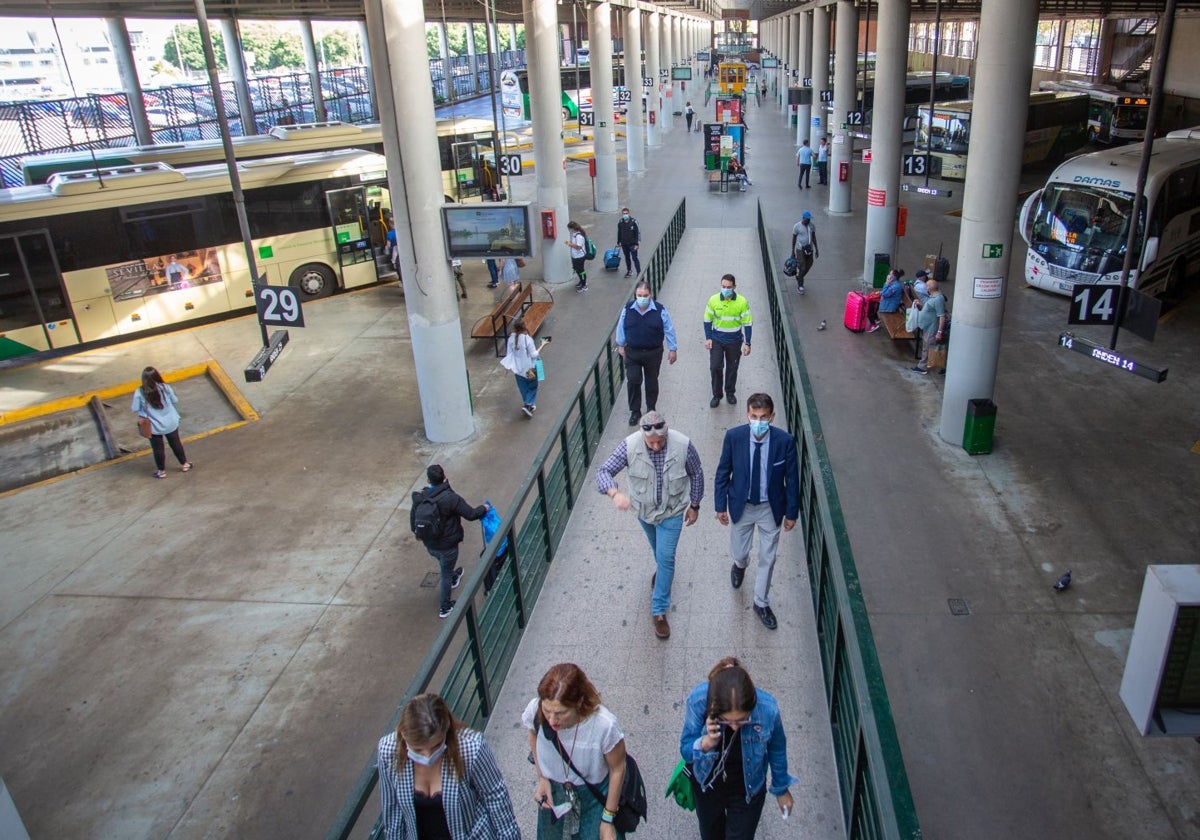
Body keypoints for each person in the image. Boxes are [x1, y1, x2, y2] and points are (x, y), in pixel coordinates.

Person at [595, 411, 703, 639]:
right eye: (650, 442)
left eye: (660, 442)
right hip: (644, 513)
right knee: (659, 551)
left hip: (672, 512)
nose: (655, 446)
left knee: (666, 557)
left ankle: (659, 610)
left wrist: (694, 506)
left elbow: (697, 473)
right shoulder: (629, 446)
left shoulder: (683, 445)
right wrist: (614, 494)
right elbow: (603, 471)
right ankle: (662, 572)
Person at [679, 658, 799, 839]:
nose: (734, 726)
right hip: (708, 785)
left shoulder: (767, 709)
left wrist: (781, 788)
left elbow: (777, 748)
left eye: (743, 719)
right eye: (727, 720)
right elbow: (686, 750)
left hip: (747, 790)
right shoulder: (698, 700)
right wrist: (706, 743)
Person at [377, 693, 520, 840]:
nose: (427, 756)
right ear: (404, 736)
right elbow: (392, 814)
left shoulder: (471, 748)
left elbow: (496, 798)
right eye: (418, 749)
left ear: (446, 731)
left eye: (436, 746)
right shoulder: (388, 752)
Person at [713, 394, 800, 630]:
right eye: (754, 416)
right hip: (742, 505)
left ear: (772, 417)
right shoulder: (734, 437)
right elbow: (723, 472)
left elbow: (792, 480)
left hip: (770, 508)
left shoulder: (785, 441)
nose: (758, 421)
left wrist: (792, 513)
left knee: (768, 557)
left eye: (763, 417)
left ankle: (761, 602)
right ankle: (740, 565)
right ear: (747, 415)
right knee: (739, 551)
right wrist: (720, 506)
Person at [523, 663, 628, 840]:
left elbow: (618, 768)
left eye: (561, 713)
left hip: (593, 797)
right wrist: (542, 777)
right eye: (547, 710)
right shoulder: (535, 711)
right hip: (555, 792)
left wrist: (608, 818)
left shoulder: (603, 725)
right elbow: (533, 733)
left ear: (579, 702)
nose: (552, 720)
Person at [411, 465, 492, 619]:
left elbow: (413, 523)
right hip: (447, 546)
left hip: (430, 545)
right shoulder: (450, 498)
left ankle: (453, 576)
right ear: (445, 476)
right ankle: (445, 607)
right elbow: (471, 514)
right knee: (445, 574)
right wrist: (485, 508)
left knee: (444, 564)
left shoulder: (420, 498)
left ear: (428, 480)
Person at [615, 281, 678, 426]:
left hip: (653, 353)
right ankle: (635, 411)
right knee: (633, 380)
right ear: (635, 295)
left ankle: (651, 408)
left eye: (645, 295)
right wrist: (620, 344)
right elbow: (621, 327)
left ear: (650, 295)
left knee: (652, 381)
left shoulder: (660, 310)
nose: (642, 298)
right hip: (633, 353)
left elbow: (669, 329)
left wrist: (672, 349)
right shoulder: (628, 309)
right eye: (639, 295)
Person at [131, 366, 192, 479]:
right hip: (171, 422)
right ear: (157, 376)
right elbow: (175, 400)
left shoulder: (139, 392)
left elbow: (134, 408)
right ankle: (185, 464)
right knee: (175, 443)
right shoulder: (165, 387)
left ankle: (161, 471)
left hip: (154, 427)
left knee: (158, 449)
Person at [703, 274, 753, 408]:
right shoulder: (713, 300)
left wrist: (747, 343)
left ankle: (730, 392)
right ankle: (717, 394)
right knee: (715, 367)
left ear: (734, 287)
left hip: (734, 341)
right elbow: (707, 320)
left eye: (729, 287)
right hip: (717, 340)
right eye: (723, 287)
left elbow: (747, 323)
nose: (725, 289)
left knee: (732, 368)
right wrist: (708, 338)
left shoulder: (742, 302)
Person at [501, 319, 549, 417]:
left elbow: (509, 354)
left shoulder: (511, 339)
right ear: (524, 327)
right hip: (530, 368)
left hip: (517, 369)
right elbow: (534, 354)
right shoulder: (527, 339)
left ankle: (528, 404)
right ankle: (528, 405)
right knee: (532, 386)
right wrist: (543, 345)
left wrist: (507, 368)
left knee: (523, 387)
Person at [911, 277, 948, 375]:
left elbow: (941, 316)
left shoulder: (938, 299)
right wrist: (920, 304)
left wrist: (939, 332)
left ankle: (923, 367)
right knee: (929, 348)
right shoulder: (933, 297)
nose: (925, 287)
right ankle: (939, 367)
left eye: (927, 286)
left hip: (932, 329)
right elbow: (930, 309)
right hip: (927, 327)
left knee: (929, 348)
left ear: (930, 288)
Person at [789, 212, 819, 295]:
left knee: (809, 264)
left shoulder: (812, 226)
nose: (808, 220)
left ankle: (799, 277)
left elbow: (814, 237)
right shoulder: (797, 226)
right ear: (803, 218)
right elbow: (794, 238)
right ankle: (800, 285)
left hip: (809, 249)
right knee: (802, 267)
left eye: (809, 219)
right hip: (800, 249)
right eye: (807, 219)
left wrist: (816, 249)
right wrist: (793, 251)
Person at [870, 268, 905, 333]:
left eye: (890, 274)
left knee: (870, 307)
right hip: (887, 303)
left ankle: (873, 324)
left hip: (889, 307)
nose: (888, 275)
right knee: (871, 303)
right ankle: (876, 319)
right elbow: (884, 292)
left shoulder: (895, 286)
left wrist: (886, 283)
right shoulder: (893, 283)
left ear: (893, 277)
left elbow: (885, 294)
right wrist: (880, 292)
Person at [616, 208, 641, 278]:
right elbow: (619, 233)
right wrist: (618, 242)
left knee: (635, 258)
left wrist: (637, 244)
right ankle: (629, 271)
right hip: (624, 244)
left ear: (629, 213)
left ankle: (639, 272)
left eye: (626, 213)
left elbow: (637, 233)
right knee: (627, 258)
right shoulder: (620, 222)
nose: (625, 215)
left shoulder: (634, 222)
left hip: (633, 244)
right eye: (623, 213)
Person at [566, 221, 589, 291]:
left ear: (572, 228)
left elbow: (578, 247)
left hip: (579, 257)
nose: (569, 230)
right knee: (578, 270)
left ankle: (584, 285)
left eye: (569, 229)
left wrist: (570, 244)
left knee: (581, 271)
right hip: (576, 256)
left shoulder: (579, 236)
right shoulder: (575, 234)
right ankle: (581, 282)